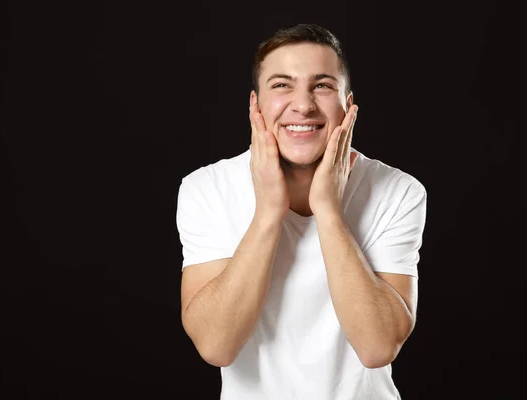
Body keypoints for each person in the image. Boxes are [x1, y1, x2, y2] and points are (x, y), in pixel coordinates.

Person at [176, 23, 427, 400]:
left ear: (349, 105)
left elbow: (377, 349)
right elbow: (216, 346)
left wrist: (327, 210)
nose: (303, 104)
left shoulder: (399, 191)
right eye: (282, 85)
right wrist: (269, 213)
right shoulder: (206, 189)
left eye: (323, 85)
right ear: (255, 105)